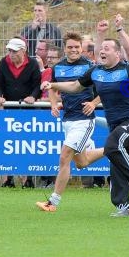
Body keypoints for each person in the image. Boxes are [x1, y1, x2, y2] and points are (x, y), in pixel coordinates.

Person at [42, 38, 129, 218]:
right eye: (101, 49)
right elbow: (74, 86)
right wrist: (53, 85)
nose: (102, 51)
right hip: (115, 124)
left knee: (112, 147)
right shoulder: (96, 71)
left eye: (106, 48)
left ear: (117, 53)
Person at [36, 32, 101, 212]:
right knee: (81, 163)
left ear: (81, 48)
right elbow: (52, 87)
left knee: (64, 157)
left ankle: (52, 203)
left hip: (84, 119)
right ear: (65, 48)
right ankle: (113, 148)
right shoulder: (58, 67)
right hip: (68, 120)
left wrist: (94, 103)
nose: (73, 50)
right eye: (70, 47)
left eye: (77, 47)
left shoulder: (90, 66)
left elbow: (105, 87)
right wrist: (53, 104)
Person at [0, 38, 42, 189]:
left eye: (14, 51)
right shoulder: (4, 62)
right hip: (8, 109)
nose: (11, 54)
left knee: (26, 145)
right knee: (8, 144)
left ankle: (26, 179)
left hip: (28, 111)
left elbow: (37, 85)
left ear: (23, 51)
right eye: (9, 51)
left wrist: (33, 96)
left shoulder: (33, 64)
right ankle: (8, 179)